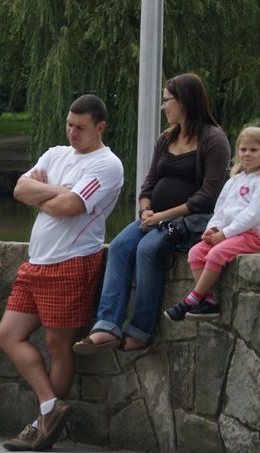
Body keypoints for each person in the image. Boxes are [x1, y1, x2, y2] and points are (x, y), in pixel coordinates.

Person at [0, 95, 124, 452]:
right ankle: (51, 406)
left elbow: (70, 207)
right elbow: (20, 188)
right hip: (36, 261)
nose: (72, 132)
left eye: (80, 128)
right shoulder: (55, 154)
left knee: (58, 345)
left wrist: (48, 193)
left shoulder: (107, 165)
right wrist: (57, 191)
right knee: (8, 334)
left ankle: (44, 425)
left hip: (72, 261)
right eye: (69, 124)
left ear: (100, 127)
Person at [74, 73, 230, 354]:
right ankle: (106, 326)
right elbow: (149, 183)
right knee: (121, 246)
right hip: (155, 217)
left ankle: (141, 330)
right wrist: (146, 208)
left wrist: (162, 216)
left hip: (190, 221)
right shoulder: (166, 138)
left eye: (167, 100)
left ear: (184, 101)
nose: (163, 106)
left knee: (147, 249)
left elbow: (208, 195)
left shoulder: (213, 139)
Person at [165, 126, 260, 321]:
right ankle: (208, 301)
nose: (247, 154)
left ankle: (192, 300)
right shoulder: (233, 181)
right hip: (230, 234)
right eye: (243, 150)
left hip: (255, 236)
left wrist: (225, 234)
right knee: (196, 252)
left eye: (254, 150)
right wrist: (213, 228)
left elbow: (251, 215)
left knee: (216, 253)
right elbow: (220, 209)